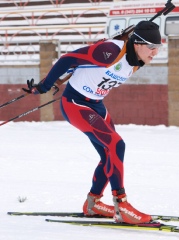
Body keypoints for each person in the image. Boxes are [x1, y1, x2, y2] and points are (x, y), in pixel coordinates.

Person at [23, 21, 161, 224]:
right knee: (116, 144)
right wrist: (46, 84)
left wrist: (64, 79)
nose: (155, 53)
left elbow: (89, 68)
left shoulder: (137, 61)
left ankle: (92, 204)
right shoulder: (109, 51)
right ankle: (121, 205)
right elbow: (68, 59)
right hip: (76, 104)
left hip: (96, 105)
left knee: (110, 153)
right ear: (137, 43)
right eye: (151, 47)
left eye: (158, 48)